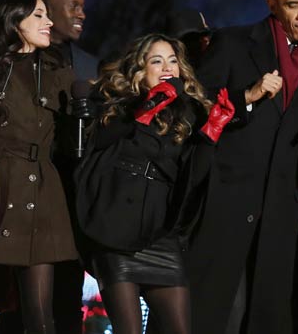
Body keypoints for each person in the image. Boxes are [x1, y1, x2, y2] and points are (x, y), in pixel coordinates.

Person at [185, 0, 298, 334]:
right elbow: (195, 108)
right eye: (293, 5)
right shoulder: (233, 43)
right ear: (272, 4)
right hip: (223, 205)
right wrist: (248, 97)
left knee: (262, 319)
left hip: (277, 219)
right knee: (213, 315)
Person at [74, 33, 234, 334]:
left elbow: (192, 178)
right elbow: (97, 156)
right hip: (116, 233)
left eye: (173, 60)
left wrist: (209, 136)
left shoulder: (187, 112)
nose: (167, 68)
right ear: (139, 69)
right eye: (157, 61)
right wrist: (140, 116)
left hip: (160, 234)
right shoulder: (115, 104)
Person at [0, 0, 101, 334]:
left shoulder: (63, 74)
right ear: (14, 21)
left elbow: (78, 135)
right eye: (38, 15)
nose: (47, 23)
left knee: (43, 315)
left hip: (46, 194)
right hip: (0, 190)